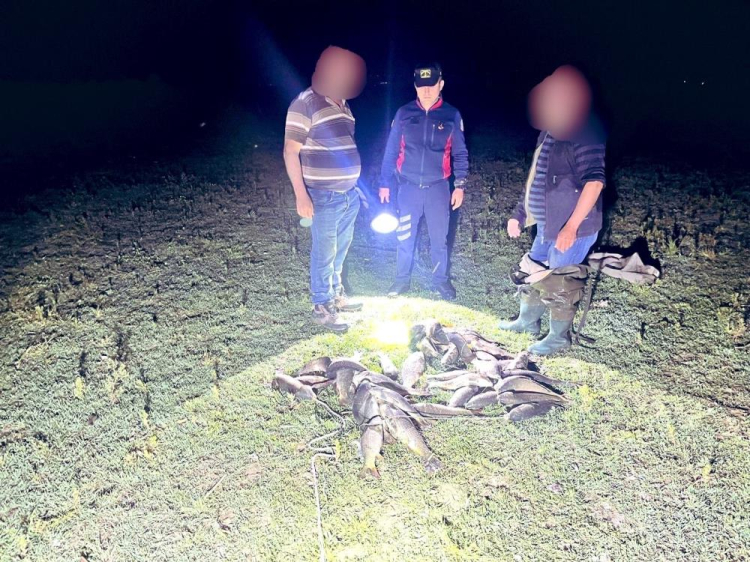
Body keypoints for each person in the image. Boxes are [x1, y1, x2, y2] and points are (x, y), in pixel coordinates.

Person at [500, 65, 606, 355]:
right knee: (534, 266)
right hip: (547, 223)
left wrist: (571, 227)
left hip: (573, 227)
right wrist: (519, 213)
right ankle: (527, 322)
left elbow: (595, 182)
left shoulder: (586, 129)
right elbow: (536, 178)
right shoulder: (549, 130)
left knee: (560, 280)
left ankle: (558, 338)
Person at [283, 46, 366, 332]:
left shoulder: (343, 103)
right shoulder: (304, 103)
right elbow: (290, 151)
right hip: (323, 196)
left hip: (349, 195)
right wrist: (301, 195)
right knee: (324, 252)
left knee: (340, 249)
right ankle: (321, 305)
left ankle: (336, 294)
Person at [379, 63, 469, 301]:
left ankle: (440, 281)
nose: (426, 91)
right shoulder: (403, 114)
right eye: (421, 86)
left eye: (431, 85)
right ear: (415, 87)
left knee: (439, 239)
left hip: (438, 188)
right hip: (408, 187)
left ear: (441, 85)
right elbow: (391, 150)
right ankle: (401, 281)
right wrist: (384, 182)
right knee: (405, 237)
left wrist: (460, 185)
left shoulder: (451, 115)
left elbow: (460, 153)